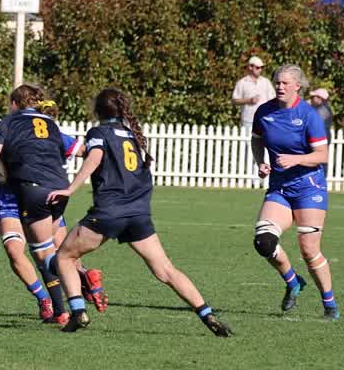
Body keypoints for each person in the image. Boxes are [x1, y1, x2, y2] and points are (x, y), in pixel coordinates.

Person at [46, 88, 233, 336]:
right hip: (138, 213)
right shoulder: (134, 135)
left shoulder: (99, 133)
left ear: (98, 111)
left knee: (64, 258)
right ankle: (207, 314)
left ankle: (78, 312)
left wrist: (70, 188)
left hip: (109, 212)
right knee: (165, 270)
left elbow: (94, 158)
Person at [0, 99, 107, 323]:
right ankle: (50, 299)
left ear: (16, 105)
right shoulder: (14, 130)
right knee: (25, 252)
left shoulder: (21, 129)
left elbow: (82, 151)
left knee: (51, 254)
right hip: (26, 200)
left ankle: (65, 299)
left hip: (27, 199)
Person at [0, 85, 84, 327]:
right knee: (34, 251)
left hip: (30, 193)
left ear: (14, 103)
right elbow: (84, 151)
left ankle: (80, 286)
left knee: (45, 253)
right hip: (52, 191)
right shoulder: (49, 126)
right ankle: (58, 305)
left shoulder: (10, 124)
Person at [250, 64, 338, 320]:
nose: (279, 86)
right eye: (277, 82)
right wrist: (260, 162)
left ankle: (329, 304)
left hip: (309, 188)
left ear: (297, 86)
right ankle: (292, 281)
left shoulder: (309, 115)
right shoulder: (264, 112)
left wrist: (295, 160)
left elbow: (323, 155)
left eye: (285, 83)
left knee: (309, 250)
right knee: (263, 241)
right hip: (279, 187)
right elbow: (256, 139)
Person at [232, 55, 275, 132]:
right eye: (258, 67)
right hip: (248, 119)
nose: (260, 70)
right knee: (248, 143)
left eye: (261, 67)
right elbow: (235, 100)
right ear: (250, 67)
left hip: (264, 118)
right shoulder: (242, 82)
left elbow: (273, 99)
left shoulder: (266, 82)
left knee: (263, 143)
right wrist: (249, 100)